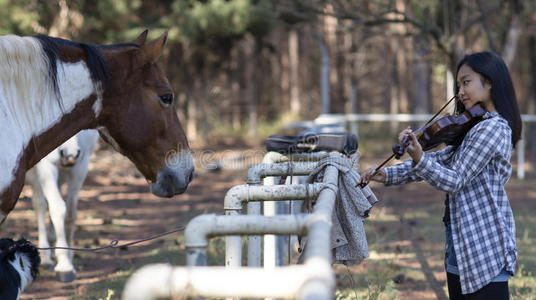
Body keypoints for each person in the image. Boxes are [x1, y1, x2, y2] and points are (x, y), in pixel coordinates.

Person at [359, 51, 521, 300]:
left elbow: (454, 179)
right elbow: (438, 160)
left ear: (489, 82)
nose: (460, 92)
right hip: (460, 240)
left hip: (484, 243)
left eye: (466, 82)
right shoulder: (475, 126)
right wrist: (386, 175)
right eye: (458, 85)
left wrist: (418, 157)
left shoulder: (494, 128)